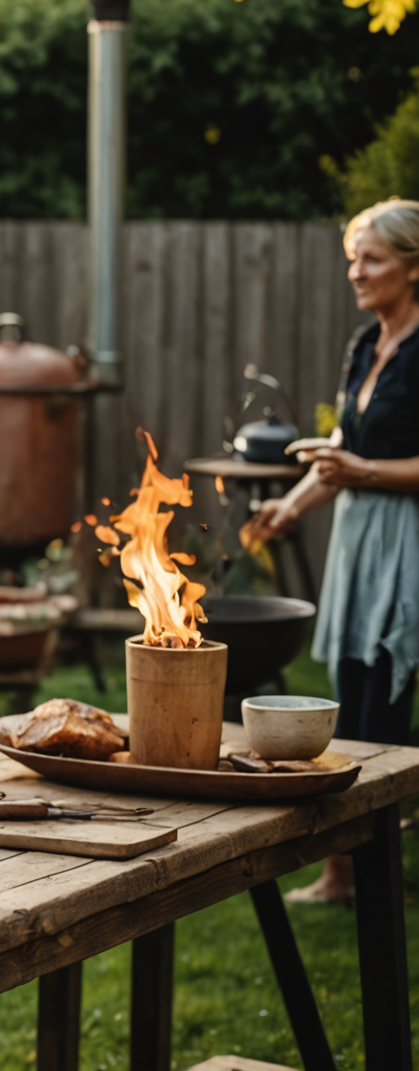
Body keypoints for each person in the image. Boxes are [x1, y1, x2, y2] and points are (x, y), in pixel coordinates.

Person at [244, 197, 419, 903]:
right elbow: (346, 450)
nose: (356, 271)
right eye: (353, 257)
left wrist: (362, 476)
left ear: (413, 266)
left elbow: (365, 464)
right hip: (357, 534)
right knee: (348, 690)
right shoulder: (364, 344)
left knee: (383, 701)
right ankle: (343, 871)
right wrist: (286, 509)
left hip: (405, 542)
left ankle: (376, 875)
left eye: (371, 258)